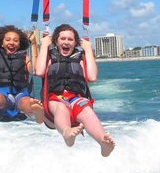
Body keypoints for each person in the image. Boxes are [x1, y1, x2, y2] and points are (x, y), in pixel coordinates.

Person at [35, 23, 115, 156]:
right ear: (56, 41)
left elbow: (92, 76)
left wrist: (88, 49)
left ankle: (103, 142)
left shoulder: (80, 59)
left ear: (75, 42)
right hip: (56, 98)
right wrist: (44, 45)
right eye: (63, 39)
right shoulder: (50, 57)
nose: (66, 42)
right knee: (61, 108)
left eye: (70, 39)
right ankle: (67, 132)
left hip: (76, 98)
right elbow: (39, 71)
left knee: (87, 110)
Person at [0, 25, 44, 123]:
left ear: (19, 44)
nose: (12, 42)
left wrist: (34, 44)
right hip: (1, 93)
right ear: (2, 43)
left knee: (25, 102)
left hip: (20, 93)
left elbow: (34, 70)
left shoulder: (24, 57)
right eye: (8, 40)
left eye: (15, 40)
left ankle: (33, 111)